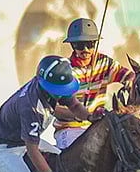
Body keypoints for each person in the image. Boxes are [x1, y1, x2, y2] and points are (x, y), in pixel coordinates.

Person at [53, 18, 133, 150]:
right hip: (69, 129)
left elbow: (129, 75)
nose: (85, 49)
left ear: (95, 43)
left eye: (89, 44)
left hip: (97, 126)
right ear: (72, 45)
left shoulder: (104, 62)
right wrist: (78, 115)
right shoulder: (64, 72)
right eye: (80, 45)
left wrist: (129, 82)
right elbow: (54, 108)